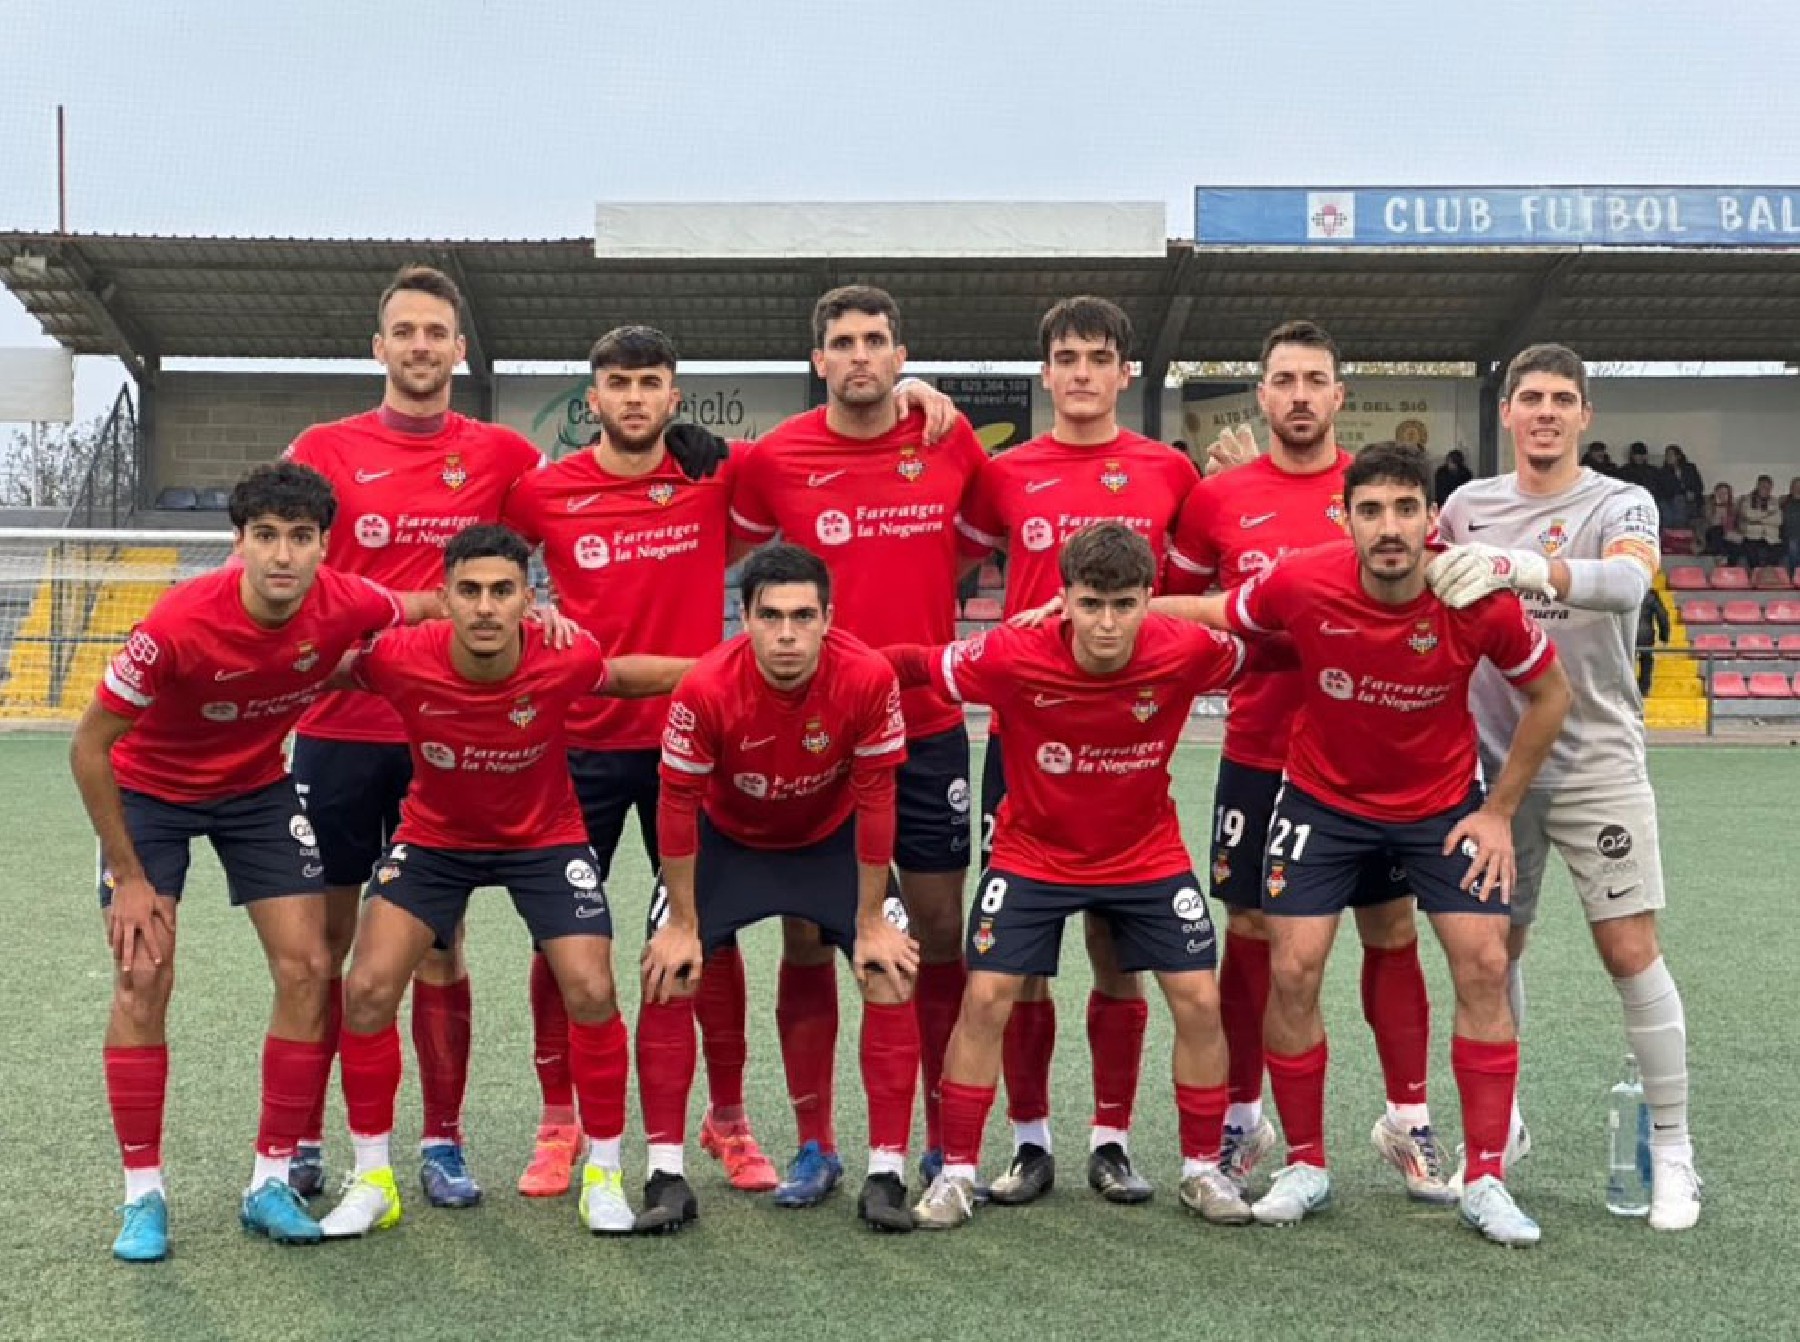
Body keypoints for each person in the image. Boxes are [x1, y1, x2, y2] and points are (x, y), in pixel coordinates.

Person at [285, 264, 730, 1205]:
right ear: (379, 346)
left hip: (463, 730)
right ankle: (306, 1138)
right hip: (346, 725)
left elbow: (546, 541)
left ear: (459, 349)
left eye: (435, 332)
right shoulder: (323, 447)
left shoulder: (503, 459)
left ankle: (443, 1142)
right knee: (323, 951)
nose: (419, 346)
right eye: (404, 330)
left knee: (440, 945)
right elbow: (285, 566)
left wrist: (550, 612)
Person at [1157, 441, 1573, 1246]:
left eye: (1406, 509)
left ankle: (1486, 1178)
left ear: (1430, 519)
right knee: (1293, 968)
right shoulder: (1302, 580)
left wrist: (1499, 812)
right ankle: (1306, 1165)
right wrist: (1105, 609)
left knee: (1485, 965)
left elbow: (1551, 694)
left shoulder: (1475, 597)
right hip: (1323, 801)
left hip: (1441, 807)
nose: (1389, 527)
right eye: (1372, 510)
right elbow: (1212, 614)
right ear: (1345, 520)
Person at [68, 462, 432, 1262]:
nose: (282, 554)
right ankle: (142, 1195)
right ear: (238, 542)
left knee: (309, 967)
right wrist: (130, 878)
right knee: (142, 975)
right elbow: (89, 746)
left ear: (325, 547)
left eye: (300, 537)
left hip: (257, 790)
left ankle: (269, 1181)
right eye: (265, 535)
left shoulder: (351, 601)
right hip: (148, 793)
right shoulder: (177, 623)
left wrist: (533, 615)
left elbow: (429, 604)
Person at [316, 525, 694, 1238]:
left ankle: (604, 1176)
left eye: (502, 591)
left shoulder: (563, 654)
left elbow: (621, 677)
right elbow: (315, 666)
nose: (486, 607)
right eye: (470, 591)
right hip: (435, 839)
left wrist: (729, 663)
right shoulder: (400, 656)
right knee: (365, 988)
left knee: (592, 988)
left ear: (529, 598)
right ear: (445, 597)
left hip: (544, 839)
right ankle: (371, 1180)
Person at [888, 523, 1258, 1230]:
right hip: (1034, 853)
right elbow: (909, 662)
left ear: (1149, 598)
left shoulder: (1186, 649)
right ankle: (964, 1171)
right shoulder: (1012, 652)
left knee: (1197, 998)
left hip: (1145, 853)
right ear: (1064, 600)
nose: (1107, 623)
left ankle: (1196, 1169)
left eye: (1124, 605)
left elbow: (1273, 642)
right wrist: (817, 665)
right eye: (1091, 605)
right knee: (987, 994)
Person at [1165, 320, 1448, 1204]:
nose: (1298, 395)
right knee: (1254, 932)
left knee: (1390, 928)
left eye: (1313, 380)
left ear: (1338, 395)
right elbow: (1186, 610)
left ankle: (1408, 1119)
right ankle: (1244, 1118)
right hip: (1259, 750)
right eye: (1282, 380)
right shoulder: (1217, 498)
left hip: (1373, 758)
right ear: (1261, 395)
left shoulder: (1379, 495)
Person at [1427, 341, 1705, 1232]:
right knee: (1492, 953)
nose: (1545, 412)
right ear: (1506, 412)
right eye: (1531, 398)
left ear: (1585, 414)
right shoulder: (1468, 506)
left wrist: (1520, 569)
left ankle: (1673, 1151)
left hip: (1596, 764)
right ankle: (1499, 1127)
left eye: (1561, 398)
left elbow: (1625, 584)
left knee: (1628, 950)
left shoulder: (1620, 501)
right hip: (1489, 770)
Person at [501, 325, 776, 1197]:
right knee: (560, 936)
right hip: (577, 744)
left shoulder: (713, 476)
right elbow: (484, 568)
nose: (633, 398)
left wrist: (919, 396)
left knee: (713, 933)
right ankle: (559, 1121)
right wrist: (531, 606)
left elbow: (813, 456)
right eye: (618, 384)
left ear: (673, 397)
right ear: (593, 400)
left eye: (649, 383)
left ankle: (727, 1117)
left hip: (692, 744)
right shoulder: (544, 492)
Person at [728, 286, 988, 1197]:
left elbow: (972, 546)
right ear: (819, 361)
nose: (860, 355)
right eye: (842, 342)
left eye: (876, 340)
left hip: (926, 727)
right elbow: (731, 555)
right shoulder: (776, 457)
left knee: (939, 930)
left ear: (901, 354)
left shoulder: (947, 436)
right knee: (809, 935)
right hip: (816, 738)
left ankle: (943, 1136)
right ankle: (816, 1143)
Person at [953, 295, 1200, 1205]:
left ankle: (1111, 1141)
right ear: (1046, 373)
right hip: (1028, 744)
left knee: (1116, 951)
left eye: (1100, 357)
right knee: (1018, 965)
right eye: (1067, 358)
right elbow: (945, 567)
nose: (1083, 373)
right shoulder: (1004, 473)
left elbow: (1199, 593)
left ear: (1127, 373)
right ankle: (1029, 1143)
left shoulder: (1170, 471)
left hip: (1128, 746)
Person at [637, 544, 921, 1234]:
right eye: (770, 616)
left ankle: (884, 1172)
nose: (787, 633)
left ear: (828, 618)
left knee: (889, 970)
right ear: (744, 618)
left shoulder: (867, 676)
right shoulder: (705, 686)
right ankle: (665, 1174)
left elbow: (877, 797)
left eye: (802, 616)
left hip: (828, 839)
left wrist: (871, 920)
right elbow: (676, 805)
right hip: (729, 841)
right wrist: (682, 922)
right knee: (668, 971)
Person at [1737, 474, 1782, 570]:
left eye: (1768, 488)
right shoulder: (1746, 499)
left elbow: (1778, 520)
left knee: (1777, 551)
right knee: (1751, 550)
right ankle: (1756, 572)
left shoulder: (1774, 501)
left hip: (1771, 537)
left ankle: (1769, 572)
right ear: (1758, 486)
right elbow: (1749, 515)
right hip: (1752, 535)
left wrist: (1757, 519)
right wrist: (1769, 514)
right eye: (1763, 487)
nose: (1766, 490)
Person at [1660, 446, 1704, 529]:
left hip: (1692, 501)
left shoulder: (1690, 468)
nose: (1668, 457)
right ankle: (1675, 530)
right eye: (1667, 455)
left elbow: (1700, 486)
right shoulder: (1663, 472)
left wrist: (1693, 493)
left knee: (1680, 500)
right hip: (1672, 500)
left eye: (1671, 455)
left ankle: (1678, 530)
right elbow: (1667, 490)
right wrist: (1684, 492)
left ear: (1678, 456)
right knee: (1676, 500)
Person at [1637, 587, 1670, 696]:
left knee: (1625, 660)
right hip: (1646, 635)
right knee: (1647, 659)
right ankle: (1643, 689)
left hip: (1626, 632)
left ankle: (1626, 689)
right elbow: (1662, 615)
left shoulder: (1625, 590)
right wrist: (1664, 637)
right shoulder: (1651, 595)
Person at [1782, 477, 1800, 572]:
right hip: (1790, 536)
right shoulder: (1784, 502)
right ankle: (1795, 574)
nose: (1798, 489)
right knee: (1793, 546)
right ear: (1791, 488)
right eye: (1796, 487)